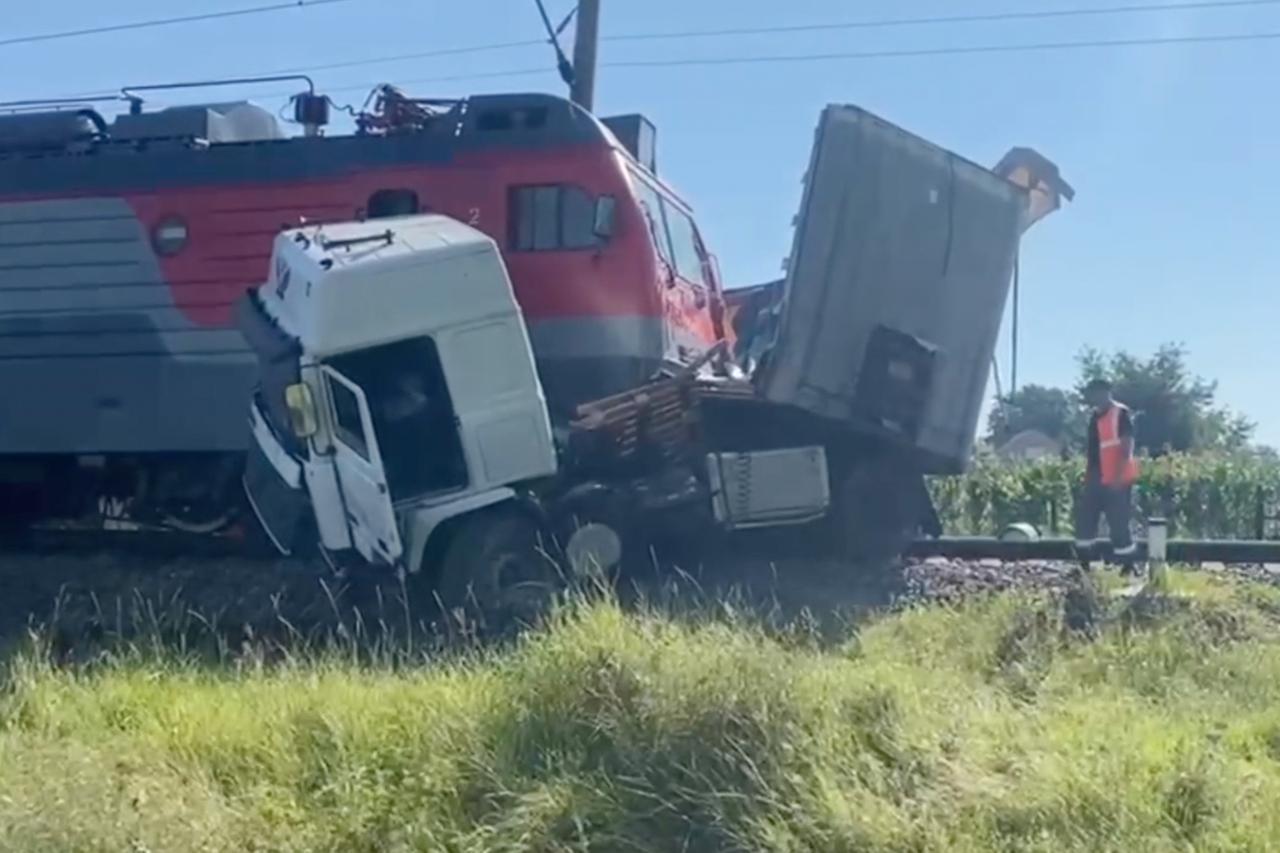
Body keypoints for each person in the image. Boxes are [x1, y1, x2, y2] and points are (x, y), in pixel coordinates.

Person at [1076, 378, 1140, 563]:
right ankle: (1085, 563)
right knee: (1086, 523)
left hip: (1117, 479)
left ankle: (1127, 565)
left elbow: (1126, 447)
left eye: (1094, 393)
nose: (1091, 398)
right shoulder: (1094, 417)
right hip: (1096, 477)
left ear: (1105, 392)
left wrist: (1118, 478)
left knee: (1119, 526)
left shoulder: (1120, 413)